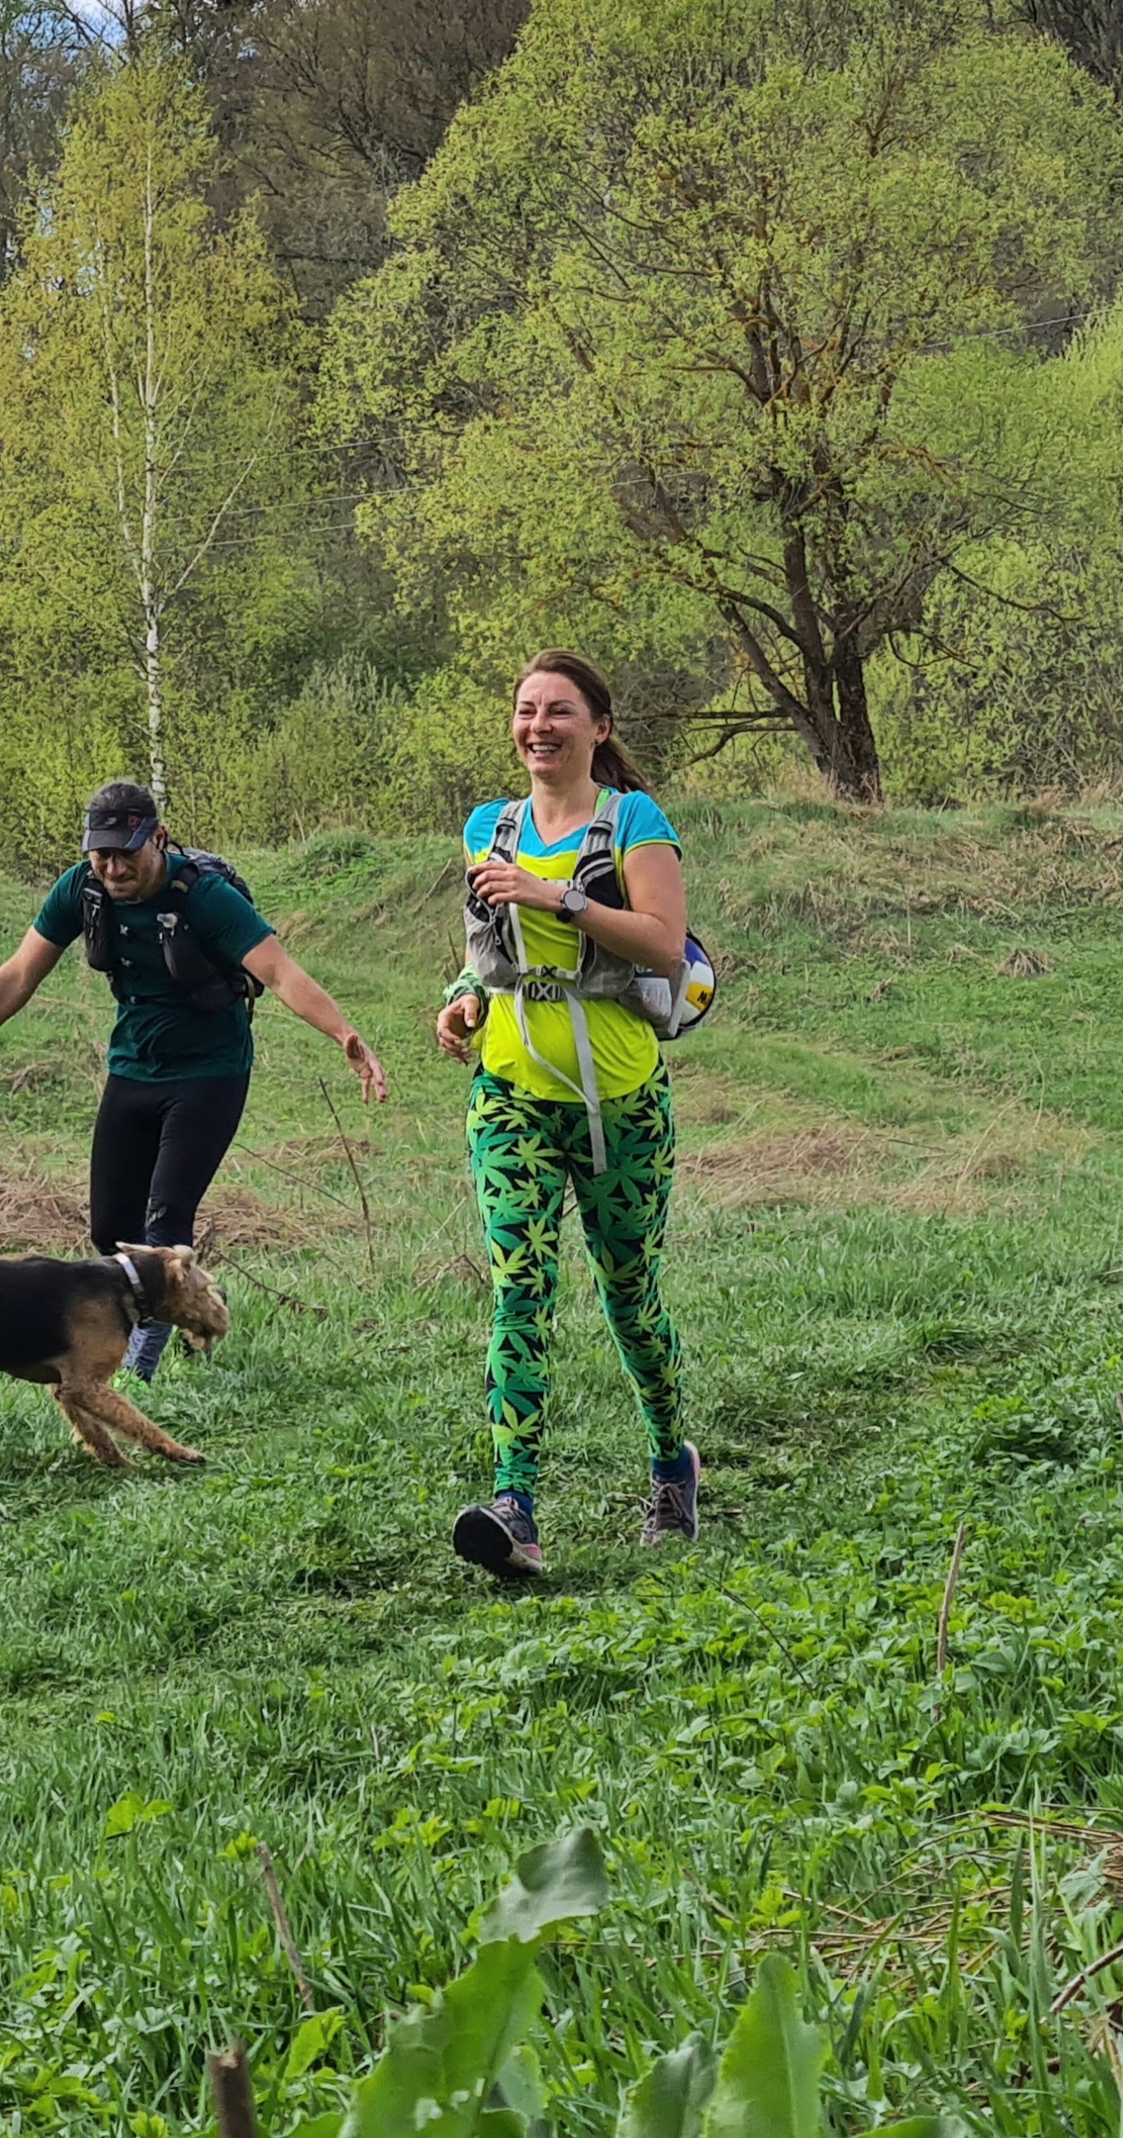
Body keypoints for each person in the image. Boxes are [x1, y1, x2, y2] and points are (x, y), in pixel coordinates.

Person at [0, 780, 387, 1379]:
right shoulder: (82, 889)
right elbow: (18, 975)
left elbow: (279, 972)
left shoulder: (205, 897)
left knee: (166, 1220)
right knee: (111, 1230)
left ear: (158, 838)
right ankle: (192, 1297)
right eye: (102, 855)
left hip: (209, 1074)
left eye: (126, 853)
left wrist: (343, 1035)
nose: (114, 868)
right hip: (132, 1068)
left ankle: (141, 1372)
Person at [433, 652, 700, 1581]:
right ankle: (514, 1508)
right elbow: (489, 952)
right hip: (511, 1095)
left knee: (629, 1296)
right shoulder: (488, 828)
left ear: (599, 726)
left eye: (558, 711)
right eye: (525, 710)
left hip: (620, 1101)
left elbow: (665, 947)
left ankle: (670, 1464)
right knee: (519, 1288)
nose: (537, 726)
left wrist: (561, 896)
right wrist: (464, 999)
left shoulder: (634, 822)